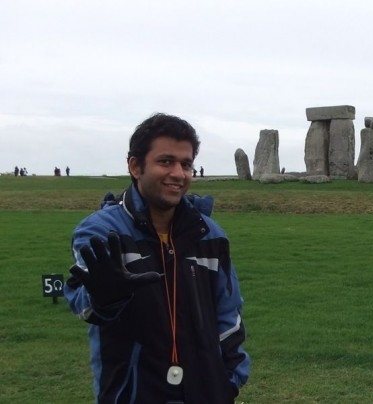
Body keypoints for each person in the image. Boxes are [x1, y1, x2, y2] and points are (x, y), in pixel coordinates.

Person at [64, 113, 250, 403]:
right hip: (134, 392)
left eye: (186, 164)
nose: (178, 173)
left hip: (207, 391)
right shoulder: (101, 231)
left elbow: (229, 315)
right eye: (166, 162)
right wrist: (104, 299)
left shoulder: (209, 235)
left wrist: (230, 382)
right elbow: (82, 306)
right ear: (135, 166)